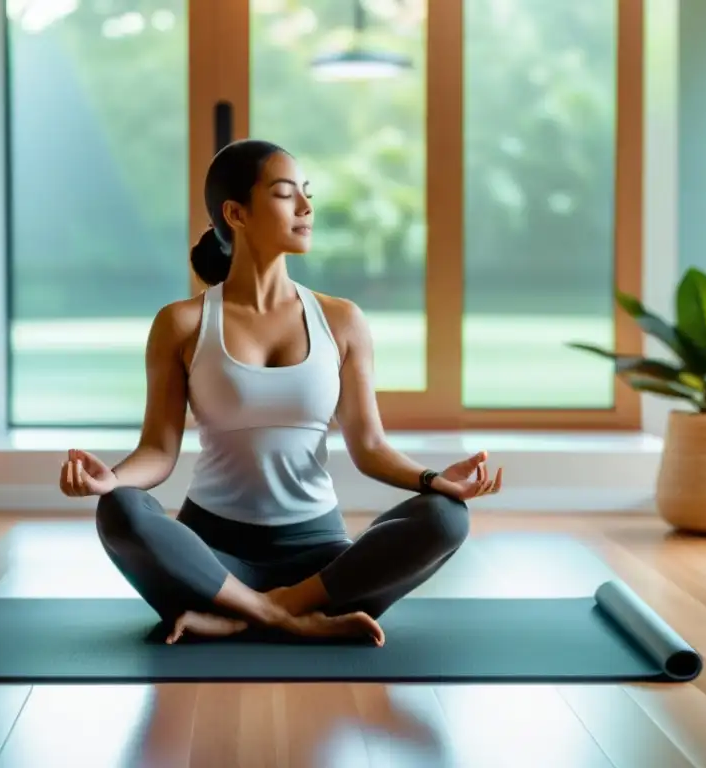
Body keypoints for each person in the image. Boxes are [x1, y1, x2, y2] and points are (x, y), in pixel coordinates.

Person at [59, 139, 502, 646]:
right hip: (209, 558)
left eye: (306, 194)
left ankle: (256, 613)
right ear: (236, 213)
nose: (306, 208)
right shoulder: (181, 324)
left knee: (446, 518)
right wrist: (107, 480)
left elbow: (371, 448)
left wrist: (434, 479)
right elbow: (158, 452)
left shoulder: (342, 320)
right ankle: (283, 619)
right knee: (120, 509)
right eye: (286, 194)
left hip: (320, 563)